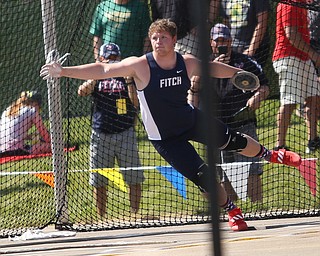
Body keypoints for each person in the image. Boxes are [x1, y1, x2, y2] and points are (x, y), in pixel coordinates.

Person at [41, 19, 302, 232]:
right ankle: (232, 211)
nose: (159, 41)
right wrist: (63, 71)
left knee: (232, 139)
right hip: (164, 138)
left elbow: (212, 67)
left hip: (190, 120)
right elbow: (103, 70)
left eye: (164, 37)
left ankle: (273, 155)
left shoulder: (185, 62)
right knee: (204, 176)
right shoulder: (139, 65)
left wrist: (236, 74)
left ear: (174, 40)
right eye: (155, 37)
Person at [188, 24, 269, 202]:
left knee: (252, 169)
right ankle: (232, 210)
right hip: (215, 126)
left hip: (243, 123)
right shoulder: (203, 63)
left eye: (225, 40)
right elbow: (193, 88)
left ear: (231, 41)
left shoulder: (246, 61)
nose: (221, 44)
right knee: (223, 173)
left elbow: (264, 86)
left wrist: (258, 96)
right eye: (218, 41)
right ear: (211, 43)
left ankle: (258, 208)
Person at [77, 43, 144, 217]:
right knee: (99, 180)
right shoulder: (96, 76)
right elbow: (81, 92)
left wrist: (128, 78)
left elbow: (135, 103)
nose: (111, 61)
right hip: (100, 134)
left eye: (114, 58)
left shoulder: (127, 76)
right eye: (108, 58)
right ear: (100, 58)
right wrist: (99, 74)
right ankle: (102, 217)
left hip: (125, 132)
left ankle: (134, 214)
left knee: (134, 177)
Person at [272, 0, 320, 154]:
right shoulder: (289, 3)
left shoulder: (303, 3)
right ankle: (280, 145)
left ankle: (313, 140)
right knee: (290, 102)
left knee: (314, 97)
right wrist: (313, 54)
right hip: (288, 57)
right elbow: (291, 35)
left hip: (303, 57)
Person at [149, 0, 218, 57]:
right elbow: (156, 18)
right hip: (165, 38)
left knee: (189, 68)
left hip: (189, 36)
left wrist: (208, 22)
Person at [219, 0, 270, 67]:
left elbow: (262, 23)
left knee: (250, 75)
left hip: (255, 48)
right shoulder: (225, 1)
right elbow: (226, 25)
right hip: (234, 48)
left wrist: (251, 50)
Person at [0, 91, 51, 157]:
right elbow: (45, 134)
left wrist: (29, 136)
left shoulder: (8, 110)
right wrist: (54, 142)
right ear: (36, 103)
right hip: (16, 151)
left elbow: (11, 133)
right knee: (52, 146)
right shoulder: (32, 110)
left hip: (2, 150)